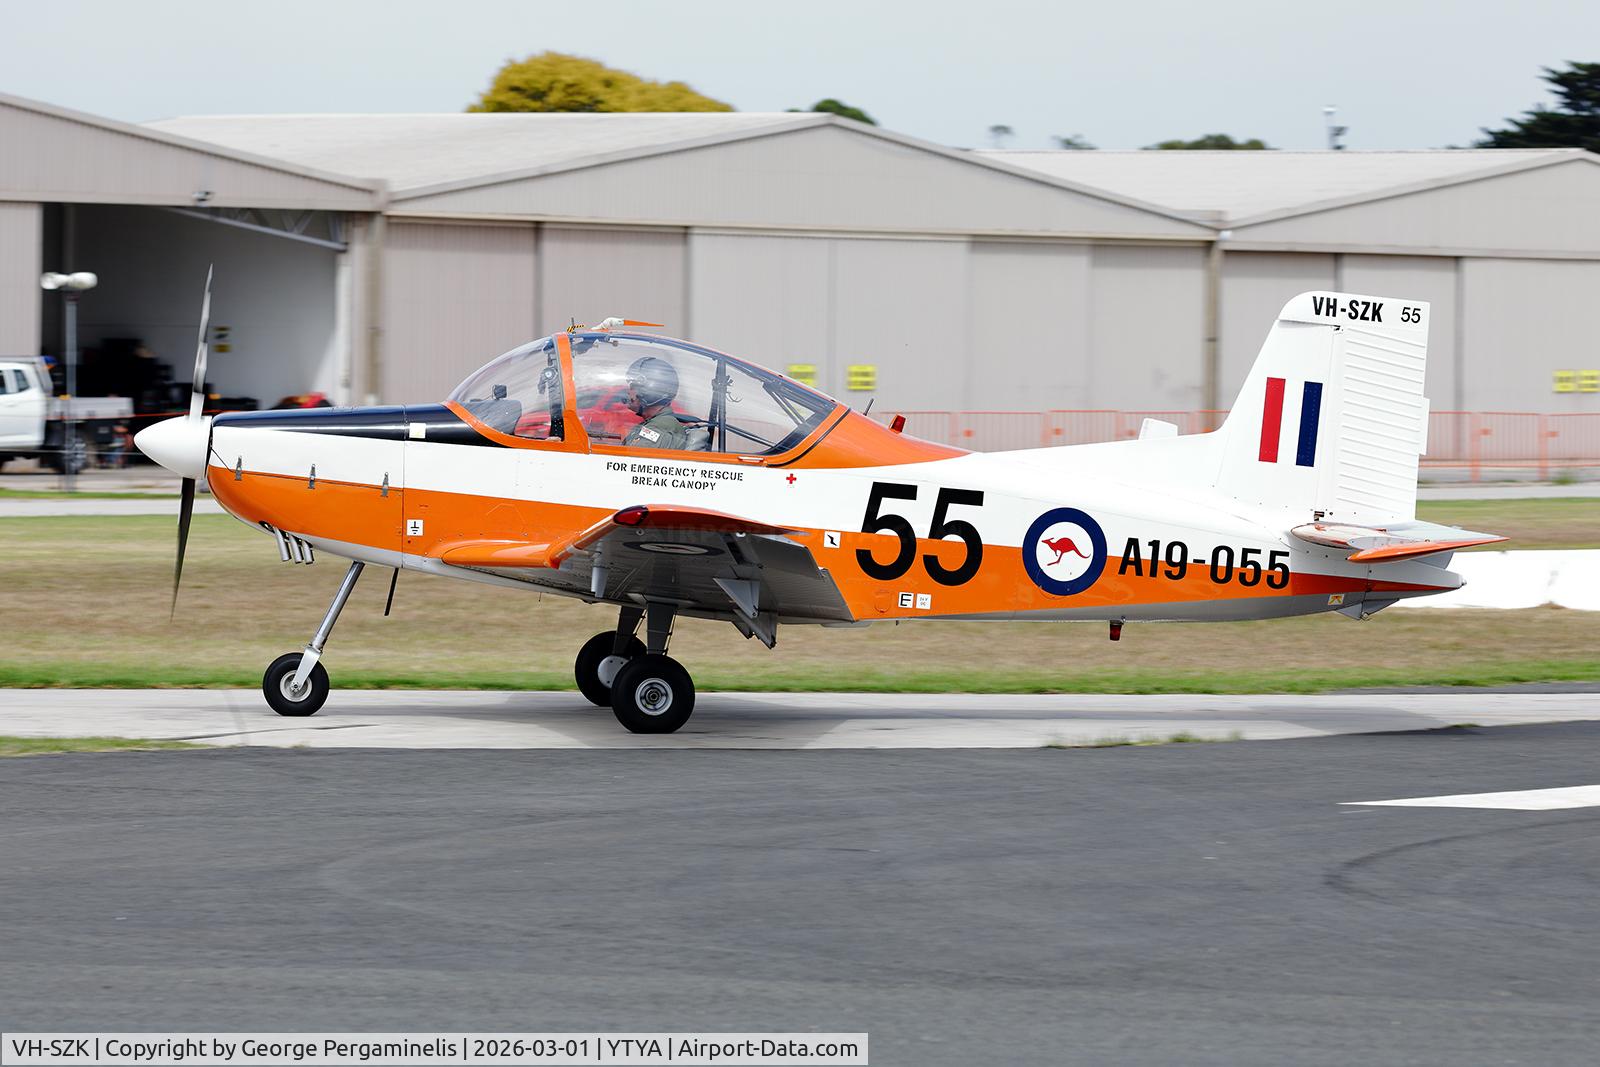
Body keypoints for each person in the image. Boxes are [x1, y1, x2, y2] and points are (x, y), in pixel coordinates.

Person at [621, 355, 689, 450]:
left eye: (633, 387)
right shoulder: (656, 423)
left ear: (650, 392)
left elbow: (631, 460)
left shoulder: (660, 428)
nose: (629, 392)